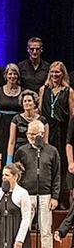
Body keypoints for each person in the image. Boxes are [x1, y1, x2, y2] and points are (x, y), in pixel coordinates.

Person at [15, 121, 60, 248]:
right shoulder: (21, 151)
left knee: (46, 230)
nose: (32, 137)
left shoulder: (52, 151)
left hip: (45, 196)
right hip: (27, 195)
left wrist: (55, 196)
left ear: (42, 134)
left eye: (35, 134)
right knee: (24, 229)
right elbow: (17, 174)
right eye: (30, 134)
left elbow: (56, 176)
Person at [39, 61, 74, 207]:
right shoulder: (44, 89)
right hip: (48, 129)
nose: (54, 75)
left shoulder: (68, 91)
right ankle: (47, 196)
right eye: (52, 72)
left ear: (63, 74)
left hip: (62, 129)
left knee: (61, 163)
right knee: (48, 162)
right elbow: (40, 110)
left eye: (57, 72)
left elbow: (72, 114)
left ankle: (59, 197)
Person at [7, 89, 49, 156]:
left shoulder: (43, 120)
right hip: (20, 153)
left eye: (29, 101)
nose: (27, 103)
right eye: (25, 101)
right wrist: (9, 159)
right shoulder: (16, 119)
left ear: (34, 103)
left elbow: (45, 142)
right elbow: (11, 142)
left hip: (37, 154)